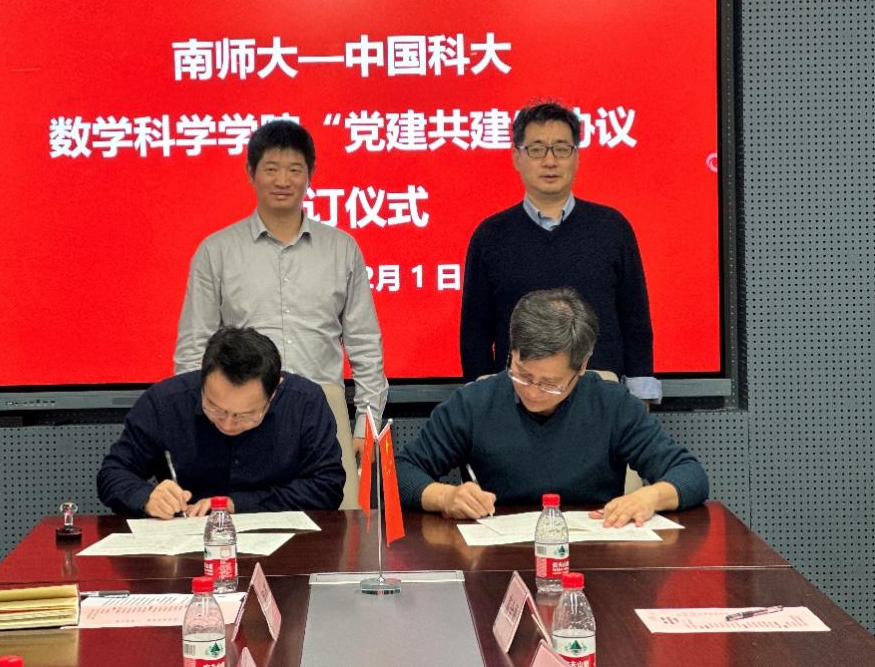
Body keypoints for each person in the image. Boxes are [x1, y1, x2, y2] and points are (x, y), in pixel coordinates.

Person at [398, 288, 708, 524]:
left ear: (581, 367)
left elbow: (690, 474)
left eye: (550, 384)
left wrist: (650, 496)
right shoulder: (475, 403)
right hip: (497, 557)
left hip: (594, 555)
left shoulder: (611, 404)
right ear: (511, 353)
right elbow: (397, 472)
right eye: (522, 375)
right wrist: (446, 496)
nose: (533, 392)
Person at [173, 119, 387, 455]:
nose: (283, 181)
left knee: (331, 493)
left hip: (323, 417)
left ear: (310, 174)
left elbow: (365, 345)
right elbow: (193, 347)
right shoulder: (216, 251)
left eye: (294, 170)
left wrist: (366, 426)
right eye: (271, 169)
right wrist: (199, 423)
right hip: (238, 418)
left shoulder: (342, 249)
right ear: (251, 173)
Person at [460, 101, 660, 404]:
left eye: (562, 149)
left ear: (576, 157)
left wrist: (639, 400)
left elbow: (635, 323)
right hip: (516, 403)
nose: (550, 161)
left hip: (600, 402)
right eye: (537, 149)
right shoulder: (491, 236)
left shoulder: (612, 228)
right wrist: (482, 404)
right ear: (516, 157)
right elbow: (475, 333)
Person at [99, 326, 345, 517]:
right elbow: (113, 473)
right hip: (187, 546)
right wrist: (146, 497)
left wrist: (237, 505)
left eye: (245, 415)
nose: (227, 424)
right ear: (202, 380)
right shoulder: (165, 402)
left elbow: (327, 487)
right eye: (214, 408)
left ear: (273, 393)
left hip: (287, 549)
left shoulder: (304, 403)